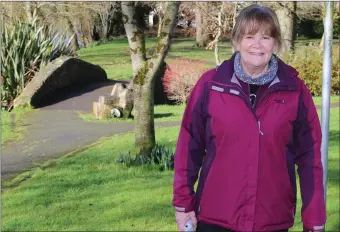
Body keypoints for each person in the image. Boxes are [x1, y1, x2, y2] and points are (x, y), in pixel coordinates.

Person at [172, 4, 326, 232]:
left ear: (276, 43)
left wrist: (314, 219)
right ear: (236, 41)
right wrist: (183, 204)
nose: (257, 44)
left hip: (272, 219)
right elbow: (188, 147)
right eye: (249, 36)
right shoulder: (211, 86)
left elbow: (310, 159)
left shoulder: (295, 90)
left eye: (266, 37)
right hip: (216, 217)